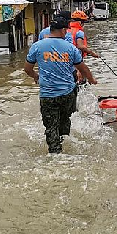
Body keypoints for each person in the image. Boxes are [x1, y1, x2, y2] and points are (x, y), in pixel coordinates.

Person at [25, 16, 97, 154]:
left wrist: (36, 77)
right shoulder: (70, 48)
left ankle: (55, 153)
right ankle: (65, 146)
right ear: (64, 30)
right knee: (65, 121)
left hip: (47, 96)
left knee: (51, 126)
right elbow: (83, 68)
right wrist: (92, 80)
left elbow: (27, 69)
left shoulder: (37, 46)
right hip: (67, 94)